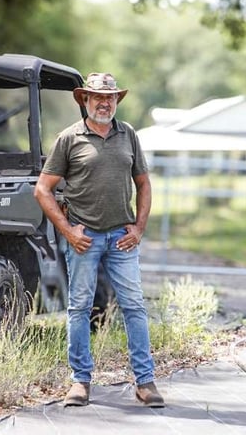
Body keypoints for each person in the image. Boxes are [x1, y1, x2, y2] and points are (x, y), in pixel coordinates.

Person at [33, 72, 165, 408]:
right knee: (79, 307)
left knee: (134, 306)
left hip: (122, 236)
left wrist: (138, 228)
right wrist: (68, 230)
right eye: (97, 97)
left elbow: (144, 184)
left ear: (117, 101)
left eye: (110, 98)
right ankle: (80, 381)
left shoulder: (129, 135)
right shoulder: (69, 138)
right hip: (84, 238)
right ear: (85, 100)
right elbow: (43, 189)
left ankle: (145, 381)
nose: (104, 103)